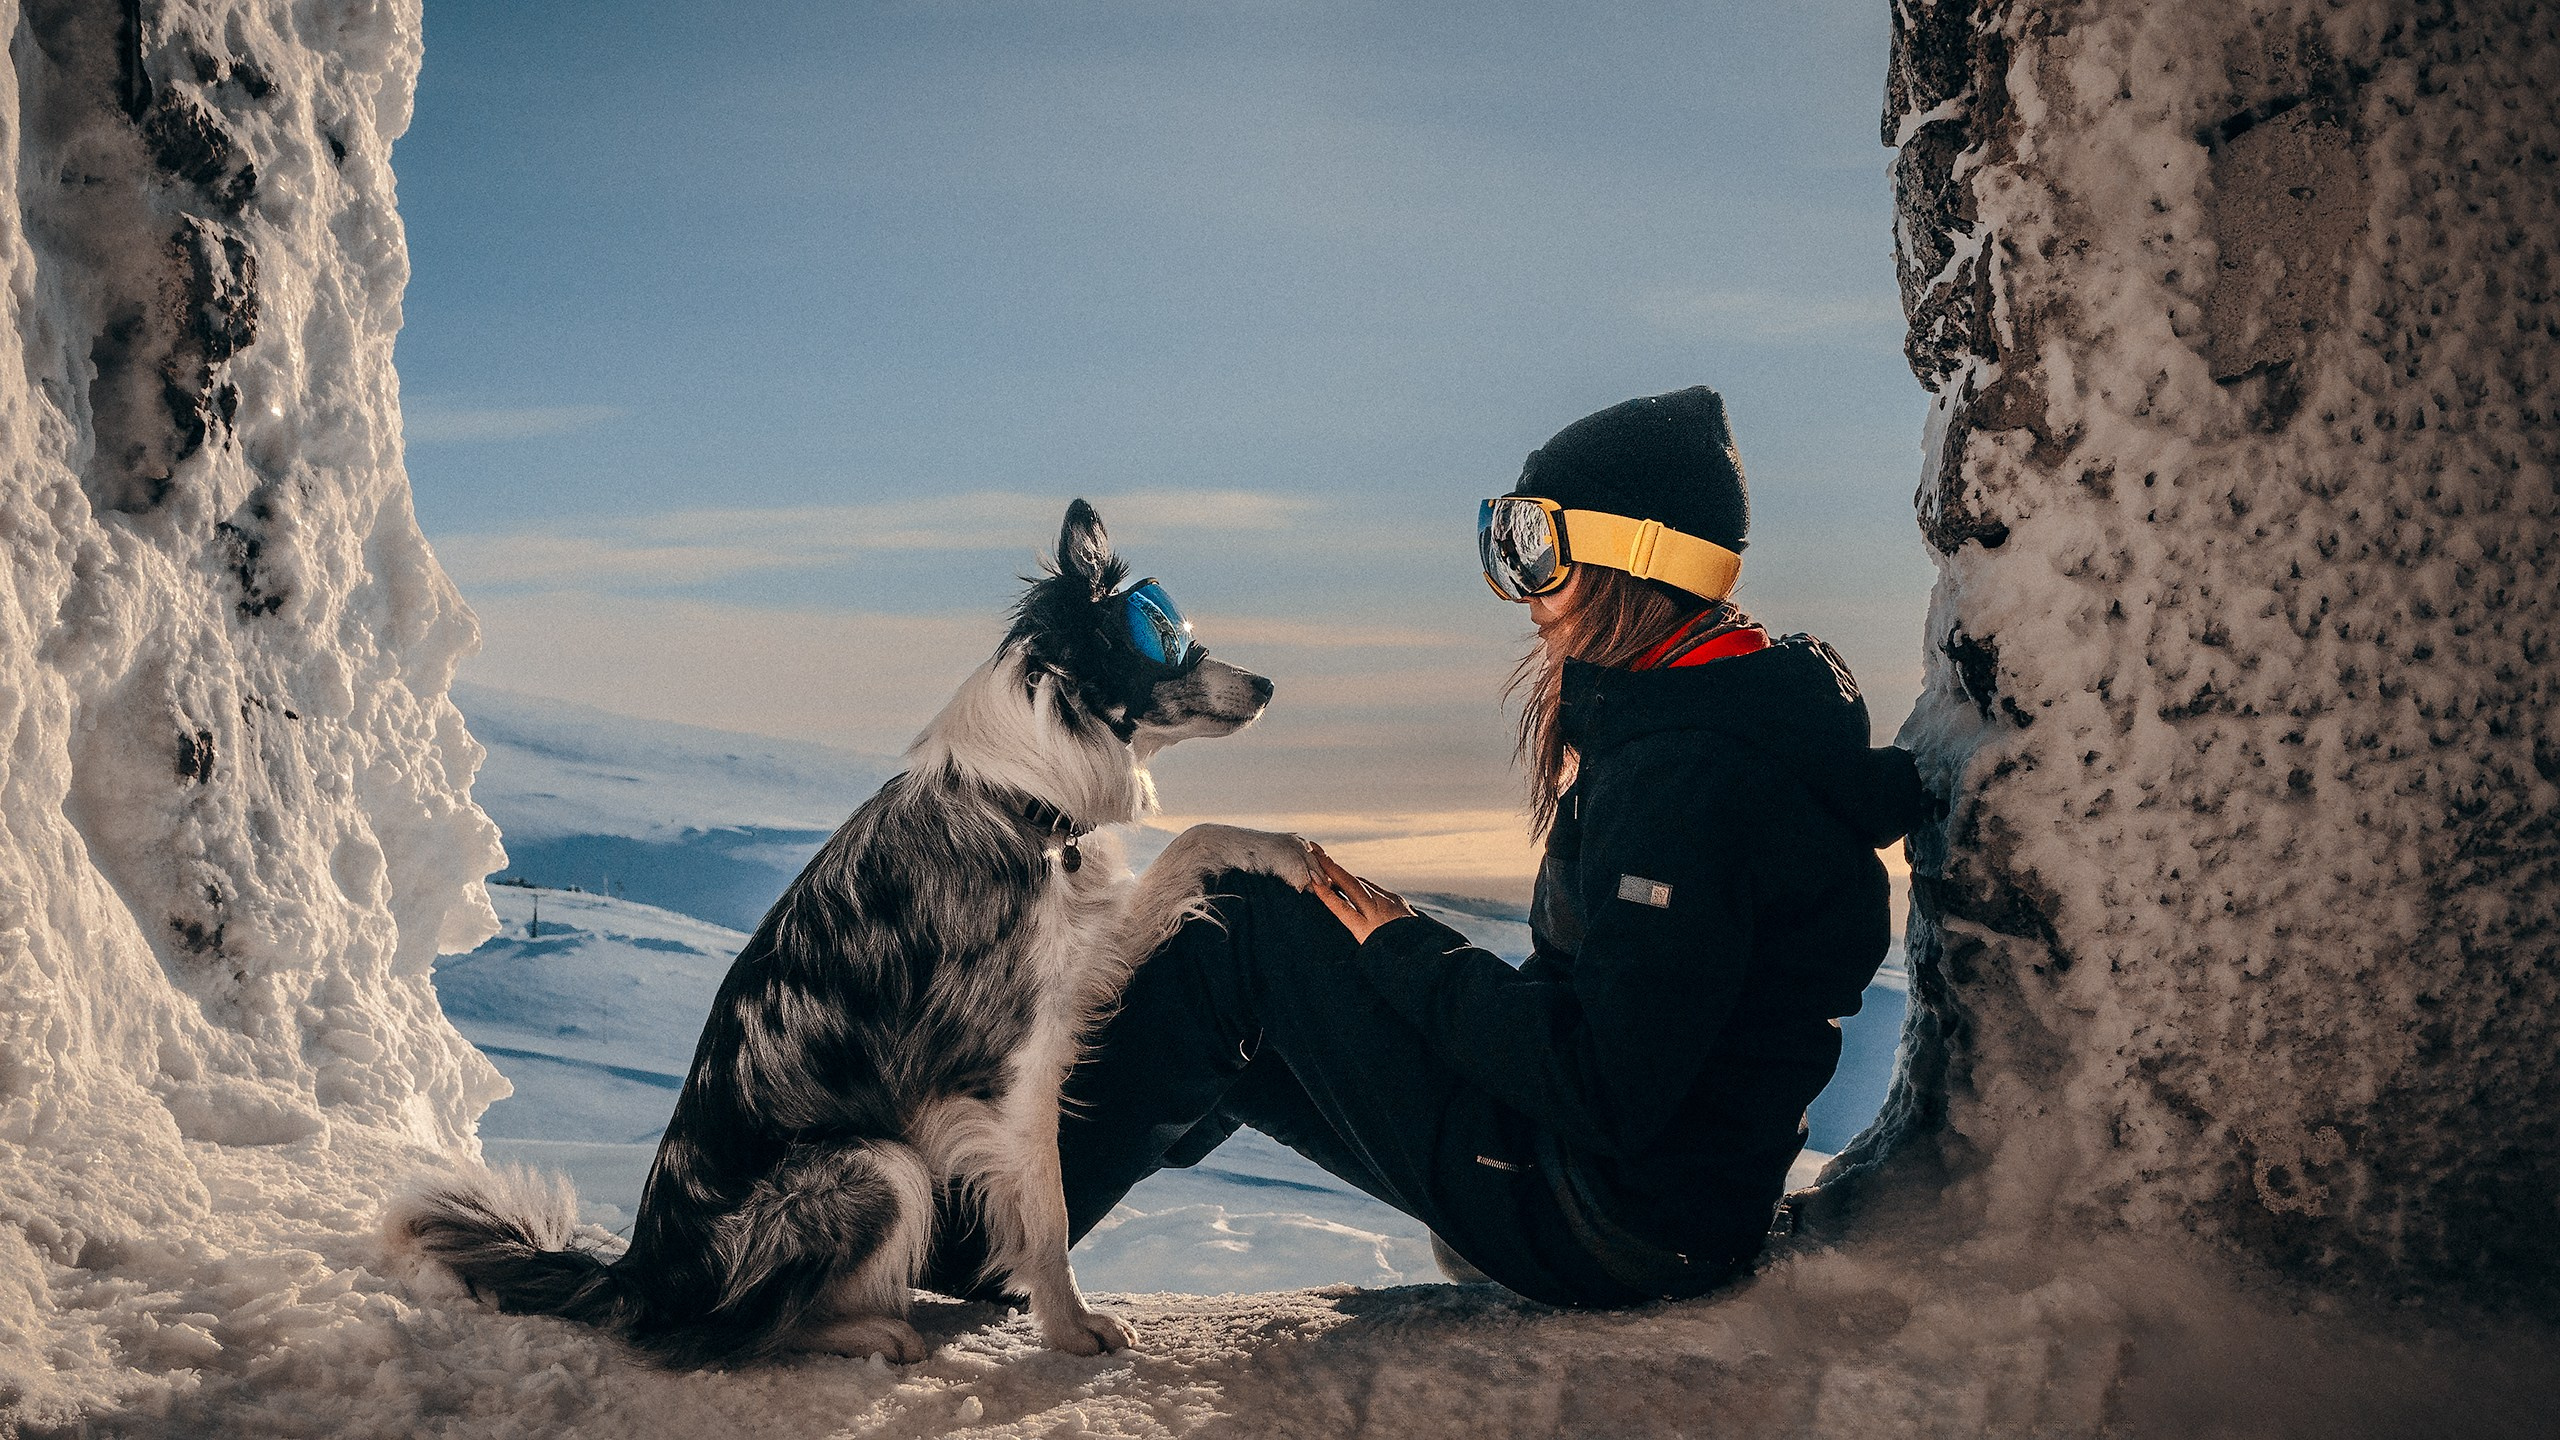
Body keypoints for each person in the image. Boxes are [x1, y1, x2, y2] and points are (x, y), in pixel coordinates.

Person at [934, 385, 1931, 1306]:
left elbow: (1606, 1089)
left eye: (1536, 547)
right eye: (1507, 540)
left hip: (1609, 1223)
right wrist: (1372, 960)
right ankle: (980, 1219)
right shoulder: (1718, 715)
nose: (1522, 586)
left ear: (1640, 558)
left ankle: (956, 1261)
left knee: (1234, 929)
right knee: (1250, 969)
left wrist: (1402, 951)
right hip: (1652, 1203)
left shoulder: (1688, 778)